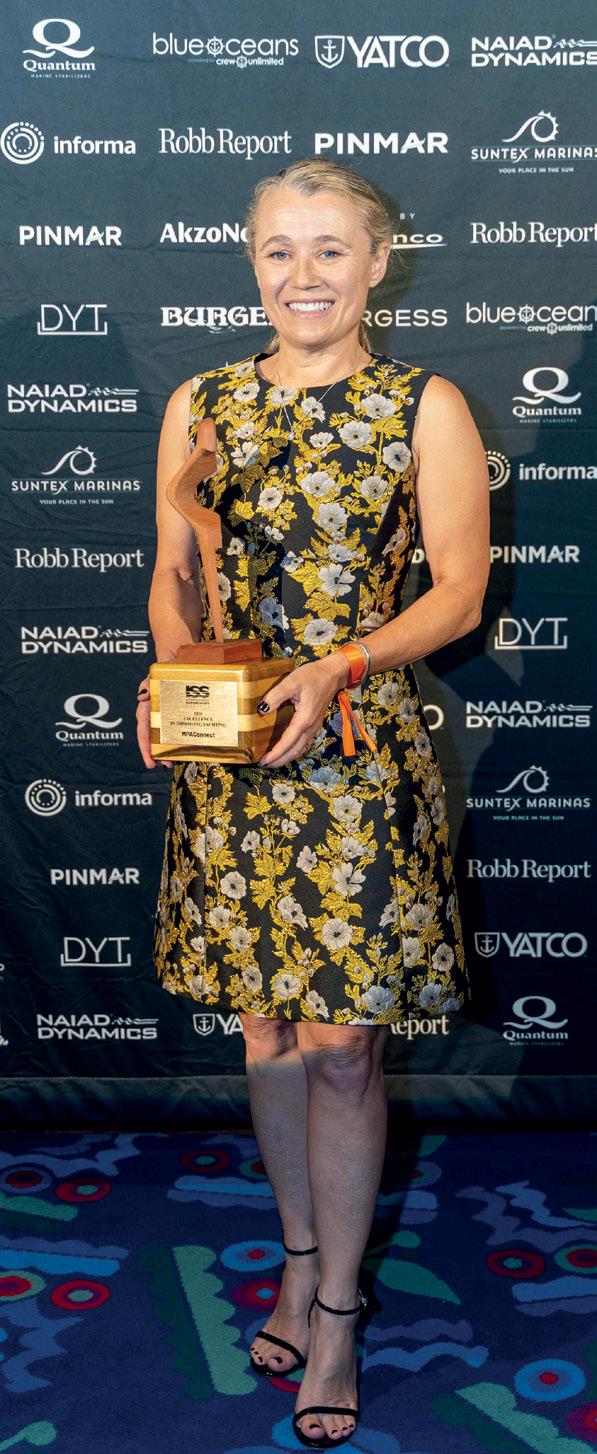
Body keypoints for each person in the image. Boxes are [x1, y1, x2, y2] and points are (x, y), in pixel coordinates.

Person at [136, 157, 489, 1449]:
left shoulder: (424, 406)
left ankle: (337, 1310)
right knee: (267, 1033)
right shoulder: (201, 403)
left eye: (330, 249)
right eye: (280, 250)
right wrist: (172, 672)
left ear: (377, 264)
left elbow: (457, 592)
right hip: (233, 757)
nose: (304, 275)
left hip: (355, 751)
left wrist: (341, 663)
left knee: (343, 1047)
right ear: (252, 263)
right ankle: (296, 1259)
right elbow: (173, 573)